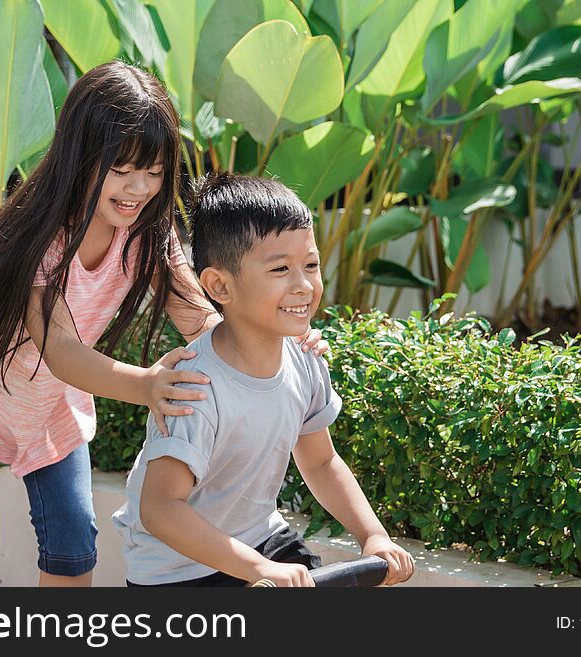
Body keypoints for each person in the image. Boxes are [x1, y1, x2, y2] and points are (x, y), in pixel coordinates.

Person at [0, 61, 327, 588]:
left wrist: (277, 339)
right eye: (121, 169)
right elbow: (63, 350)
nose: (138, 187)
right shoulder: (41, 235)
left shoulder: (150, 235)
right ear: (80, 156)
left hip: (50, 394)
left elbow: (203, 318)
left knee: (73, 544)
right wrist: (146, 384)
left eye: (156, 171)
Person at [112, 172, 415, 587]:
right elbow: (161, 508)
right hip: (179, 571)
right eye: (280, 269)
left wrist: (373, 535)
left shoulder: (304, 358)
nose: (304, 285)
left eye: (310, 265)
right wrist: (259, 570)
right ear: (219, 285)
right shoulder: (195, 386)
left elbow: (321, 461)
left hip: (262, 540)